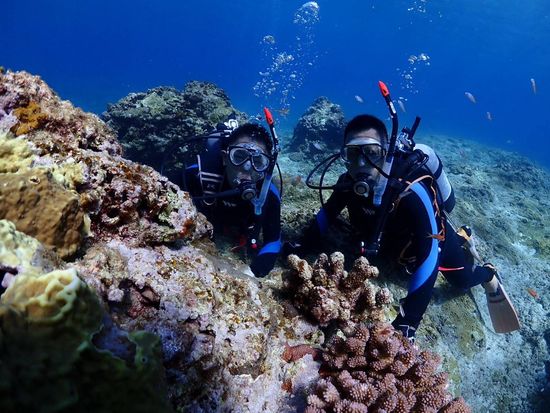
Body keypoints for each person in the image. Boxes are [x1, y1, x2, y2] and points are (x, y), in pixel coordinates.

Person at [295, 113, 519, 341]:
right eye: (353, 153)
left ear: (386, 152)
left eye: (372, 152)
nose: (362, 163)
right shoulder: (347, 182)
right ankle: (463, 235)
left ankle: (488, 273)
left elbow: (429, 255)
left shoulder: (411, 190)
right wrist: (301, 246)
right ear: (343, 155)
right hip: (392, 243)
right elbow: (327, 214)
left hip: (430, 240)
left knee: (460, 282)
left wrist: (408, 320)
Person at [184, 122, 281, 277]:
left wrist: (257, 270)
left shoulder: (269, 194)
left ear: (266, 168)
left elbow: (274, 240)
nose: (247, 167)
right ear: (225, 157)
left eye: (258, 161)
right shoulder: (196, 176)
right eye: (239, 156)